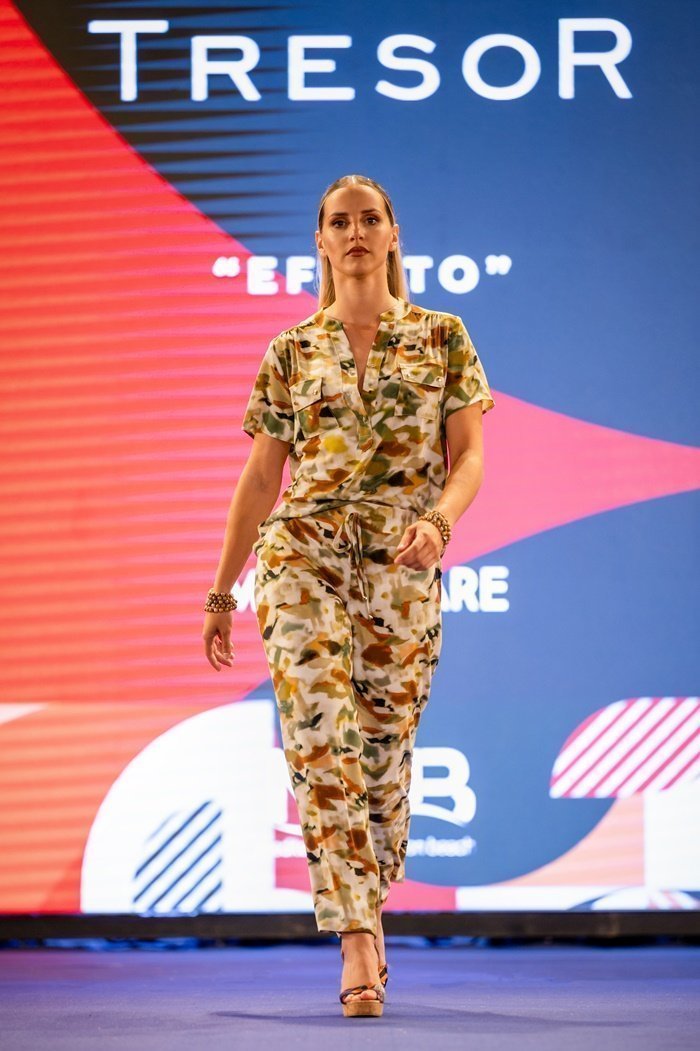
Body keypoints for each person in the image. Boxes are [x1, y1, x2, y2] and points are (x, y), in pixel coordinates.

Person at [202, 174, 495, 1018]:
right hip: (302, 556)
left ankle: (369, 898)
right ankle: (357, 935)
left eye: (371, 219)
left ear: (393, 234)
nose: (356, 231)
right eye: (340, 221)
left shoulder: (443, 336)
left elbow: (470, 457)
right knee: (321, 738)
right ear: (321, 242)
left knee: (382, 758)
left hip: (402, 565)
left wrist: (438, 522)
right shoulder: (292, 350)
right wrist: (221, 591)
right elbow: (261, 477)